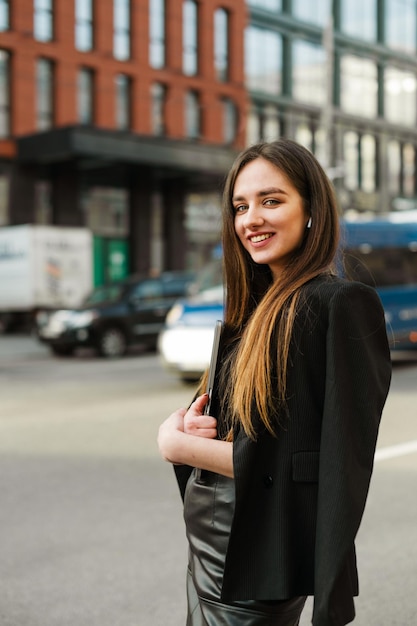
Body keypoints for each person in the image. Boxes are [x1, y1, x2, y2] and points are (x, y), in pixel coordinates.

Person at [158, 139, 392, 626]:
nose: (250, 219)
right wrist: (185, 424)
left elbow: (326, 465)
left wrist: (176, 445)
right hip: (211, 552)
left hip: (254, 561)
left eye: (271, 200)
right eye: (241, 206)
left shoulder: (337, 304)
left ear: (311, 209)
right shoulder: (255, 311)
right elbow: (244, 432)